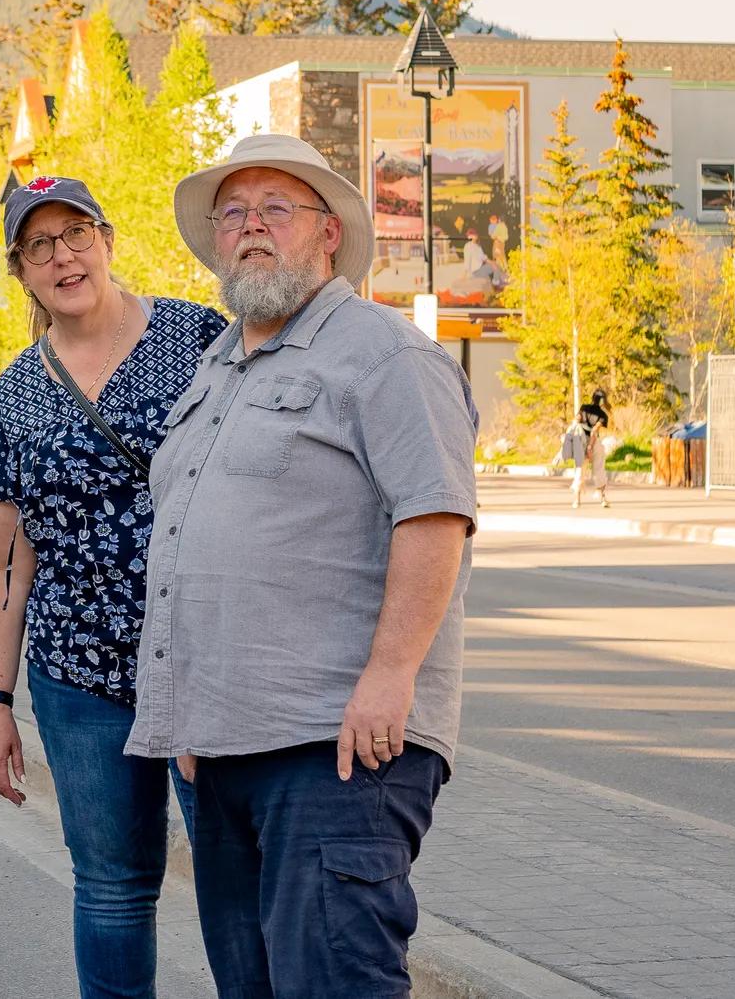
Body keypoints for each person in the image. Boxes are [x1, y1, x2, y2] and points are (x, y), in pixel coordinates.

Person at [128, 133, 477, 999]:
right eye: (233, 213)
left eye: (275, 208)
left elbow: (435, 517)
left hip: (339, 746)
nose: (251, 228)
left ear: (329, 233)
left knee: (333, 984)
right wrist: (194, 719)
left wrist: (391, 674)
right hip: (226, 749)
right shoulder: (218, 368)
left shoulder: (385, 354)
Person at [0, 176, 223, 999]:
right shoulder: (12, 395)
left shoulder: (198, 336)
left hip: (206, 660)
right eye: (39, 245)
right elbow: (3, 562)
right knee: (113, 888)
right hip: (79, 678)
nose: (63, 255)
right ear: (22, 272)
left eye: (75, 232)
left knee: (233, 883)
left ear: (108, 238)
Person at [563, 403, 612, 509]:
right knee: (599, 469)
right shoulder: (602, 414)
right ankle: (603, 499)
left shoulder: (584, 408)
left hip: (581, 443)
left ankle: (577, 501)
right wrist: (590, 447)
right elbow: (594, 431)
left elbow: (577, 420)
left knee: (579, 471)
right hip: (592, 443)